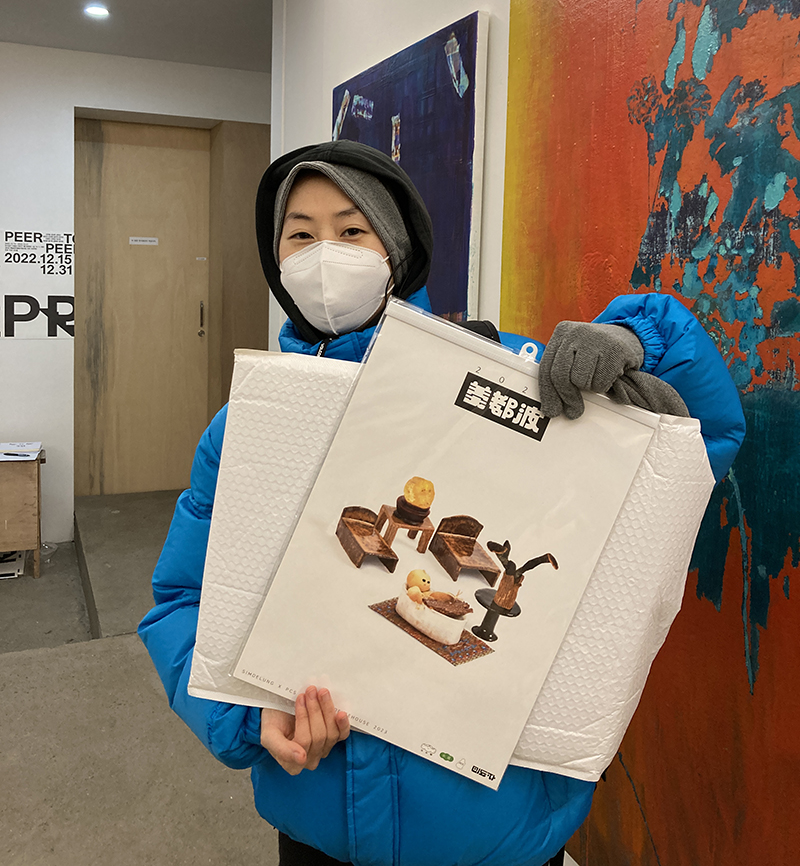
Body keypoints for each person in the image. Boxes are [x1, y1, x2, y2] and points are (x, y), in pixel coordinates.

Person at [139, 140, 745, 866]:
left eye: (352, 229)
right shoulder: (251, 426)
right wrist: (245, 714)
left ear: (396, 250)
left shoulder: (507, 377)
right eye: (299, 234)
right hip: (318, 832)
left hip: (495, 834)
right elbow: (182, 600)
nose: (324, 254)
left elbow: (704, 442)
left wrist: (637, 341)